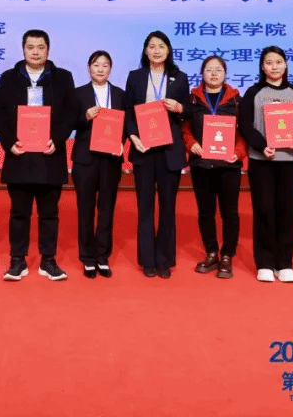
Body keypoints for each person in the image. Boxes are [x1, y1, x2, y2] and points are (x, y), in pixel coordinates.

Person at [0, 29, 77, 281]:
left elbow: (70, 113)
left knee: (49, 213)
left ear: (48, 50)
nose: (35, 52)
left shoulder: (63, 77)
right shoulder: (9, 78)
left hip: (49, 154)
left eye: (40, 47)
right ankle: (17, 260)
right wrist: (9, 142)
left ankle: (48, 261)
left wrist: (58, 139)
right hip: (19, 155)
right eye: (30, 47)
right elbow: (0, 114)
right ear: (23, 49)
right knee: (19, 213)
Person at [238, 46, 293, 283]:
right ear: (262, 66)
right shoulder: (254, 92)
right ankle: (265, 263)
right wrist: (261, 146)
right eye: (269, 62)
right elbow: (245, 124)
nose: (274, 66)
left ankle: (285, 263)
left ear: (286, 65)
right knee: (264, 210)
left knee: (286, 211)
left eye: (279, 62)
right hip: (262, 161)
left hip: (290, 161)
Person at [124, 31, 189, 279]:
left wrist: (180, 107)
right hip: (144, 148)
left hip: (169, 150)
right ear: (145, 51)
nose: (157, 50)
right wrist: (133, 137)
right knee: (145, 206)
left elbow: (188, 113)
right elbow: (128, 112)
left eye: (161, 46)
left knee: (168, 206)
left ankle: (164, 259)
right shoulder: (136, 77)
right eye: (152, 46)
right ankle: (147, 259)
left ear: (168, 50)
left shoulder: (180, 78)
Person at [182, 56, 247, 279]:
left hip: (228, 165)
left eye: (218, 69)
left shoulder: (236, 100)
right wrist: (191, 144)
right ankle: (211, 252)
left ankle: (227, 255)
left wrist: (238, 152)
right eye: (209, 69)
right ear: (202, 73)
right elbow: (184, 128)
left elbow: (244, 131)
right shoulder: (192, 100)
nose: (213, 73)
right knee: (205, 212)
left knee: (230, 212)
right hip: (201, 164)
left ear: (225, 74)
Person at [71, 50, 126, 279]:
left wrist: (122, 142)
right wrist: (84, 117)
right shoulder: (78, 93)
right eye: (96, 65)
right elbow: (69, 122)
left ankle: (102, 256)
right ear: (88, 68)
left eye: (105, 65)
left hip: (110, 159)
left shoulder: (121, 95)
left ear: (111, 69)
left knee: (106, 208)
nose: (100, 69)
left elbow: (127, 124)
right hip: (85, 158)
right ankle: (87, 257)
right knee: (85, 209)